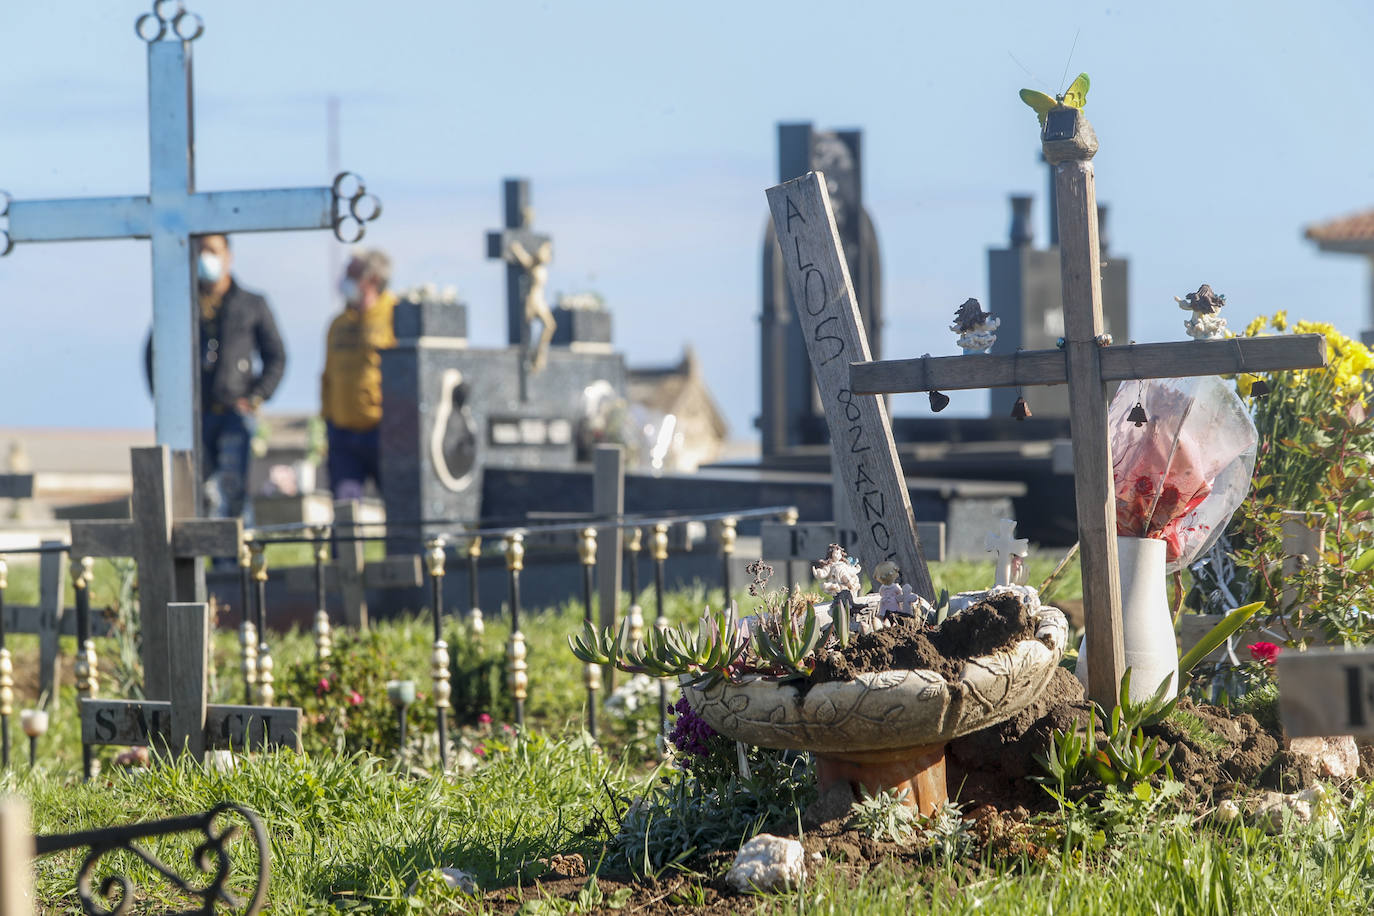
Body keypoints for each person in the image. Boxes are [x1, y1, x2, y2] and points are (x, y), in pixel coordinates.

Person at [144, 233, 286, 519]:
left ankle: (235, 561)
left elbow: (276, 356)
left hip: (235, 413)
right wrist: (169, 402)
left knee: (233, 492)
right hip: (195, 416)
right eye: (200, 251)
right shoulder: (180, 305)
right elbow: (154, 354)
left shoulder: (251, 304)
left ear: (228, 257)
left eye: (212, 250)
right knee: (195, 492)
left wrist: (256, 396)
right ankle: (201, 562)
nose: (204, 258)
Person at [320, 249, 397, 500]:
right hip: (342, 434)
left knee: (399, 507)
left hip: (384, 431)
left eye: (352, 273)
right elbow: (328, 376)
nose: (344, 278)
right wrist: (328, 421)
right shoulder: (338, 324)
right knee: (345, 510)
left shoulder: (396, 315)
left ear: (372, 279)